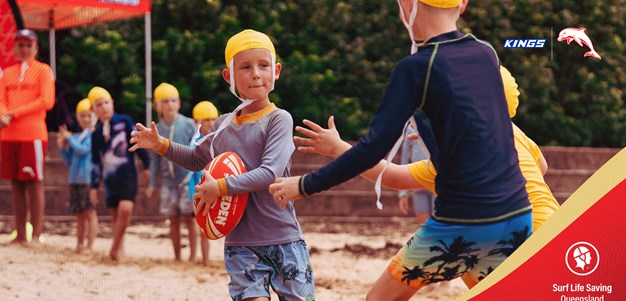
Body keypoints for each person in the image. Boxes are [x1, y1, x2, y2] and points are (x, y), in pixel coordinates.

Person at [270, 0, 532, 299]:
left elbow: (371, 149)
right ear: (462, 5)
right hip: (517, 215)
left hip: (461, 224)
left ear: (407, 5)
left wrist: (305, 184)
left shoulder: (417, 67)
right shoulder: (486, 53)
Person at [292, 65, 559, 290]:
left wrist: (339, 148)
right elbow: (543, 167)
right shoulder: (517, 134)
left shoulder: (455, 154)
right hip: (555, 230)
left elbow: (391, 176)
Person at [129, 29, 315, 301]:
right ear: (229, 75)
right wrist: (160, 145)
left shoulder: (279, 119)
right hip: (240, 244)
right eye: (245, 67)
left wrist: (222, 187)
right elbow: (195, 159)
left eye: (263, 66)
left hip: (283, 238)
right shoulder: (223, 124)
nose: (255, 74)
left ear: (276, 71)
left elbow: (270, 173)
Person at [0, 29, 55, 245]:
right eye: (20, 45)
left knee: (34, 182)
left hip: (32, 134)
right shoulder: (7, 72)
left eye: (28, 45)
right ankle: (20, 233)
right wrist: (4, 114)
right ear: (14, 48)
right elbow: (2, 98)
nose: (24, 49)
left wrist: (14, 113)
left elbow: (46, 101)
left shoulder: (43, 71)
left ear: (35, 48)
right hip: (9, 134)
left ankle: (36, 234)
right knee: (15, 183)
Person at [88, 86, 150, 261]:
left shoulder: (124, 121)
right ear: (94, 109)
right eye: (99, 104)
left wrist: (146, 165)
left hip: (128, 176)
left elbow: (138, 141)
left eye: (107, 102)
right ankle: (119, 251)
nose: (104, 107)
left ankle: (113, 248)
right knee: (115, 215)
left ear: (112, 103)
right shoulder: (97, 134)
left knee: (125, 209)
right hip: (110, 180)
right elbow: (95, 161)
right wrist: (93, 186)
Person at [147, 82, 198, 262]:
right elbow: (154, 160)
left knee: (190, 219)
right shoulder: (156, 129)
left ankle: (193, 256)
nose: (169, 104)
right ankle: (177, 256)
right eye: (165, 101)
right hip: (168, 182)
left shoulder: (189, 124)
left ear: (179, 103)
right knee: (173, 220)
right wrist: (153, 183)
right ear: (157, 105)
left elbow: (198, 150)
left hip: (188, 180)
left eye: (173, 100)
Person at [58, 98, 99, 253]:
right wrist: (63, 146)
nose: (86, 119)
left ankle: (90, 246)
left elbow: (83, 150)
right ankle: (79, 244)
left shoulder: (92, 136)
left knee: (89, 212)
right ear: (78, 117)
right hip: (75, 179)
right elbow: (68, 159)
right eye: (83, 116)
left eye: (89, 115)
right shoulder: (77, 136)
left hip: (87, 179)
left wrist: (69, 139)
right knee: (79, 214)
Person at [183, 100, 220, 266]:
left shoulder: (218, 141)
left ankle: (205, 260)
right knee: (199, 227)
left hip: (215, 189)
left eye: (213, 119)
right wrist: (192, 196)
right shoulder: (194, 144)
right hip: (198, 191)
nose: (211, 123)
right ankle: (197, 258)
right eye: (207, 120)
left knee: (208, 228)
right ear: (197, 122)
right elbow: (190, 175)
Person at [397, 126, 435, 225]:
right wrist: (403, 193)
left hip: (437, 183)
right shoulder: (410, 128)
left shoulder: (441, 123)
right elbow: (404, 159)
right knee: (425, 226)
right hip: (418, 184)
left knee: (439, 224)